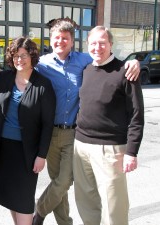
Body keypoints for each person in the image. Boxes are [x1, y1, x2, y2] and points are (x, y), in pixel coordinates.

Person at [32, 18, 140, 225]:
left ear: (72, 41)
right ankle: (65, 223)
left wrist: (132, 61)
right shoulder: (43, 64)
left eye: (65, 38)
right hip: (51, 134)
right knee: (60, 185)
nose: (60, 42)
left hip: (75, 133)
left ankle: (40, 210)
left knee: (64, 181)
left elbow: (109, 62)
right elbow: (22, 71)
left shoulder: (85, 60)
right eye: (57, 38)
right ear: (51, 40)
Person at [73, 26, 144, 225]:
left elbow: (136, 114)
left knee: (114, 207)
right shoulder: (86, 69)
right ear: (88, 44)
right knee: (86, 202)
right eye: (93, 43)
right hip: (81, 146)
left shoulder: (126, 72)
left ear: (111, 44)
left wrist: (132, 152)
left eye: (102, 43)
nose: (98, 47)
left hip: (111, 149)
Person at [0, 36, 56, 225]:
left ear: (32, 56)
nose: (20, 59)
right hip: (3, 149)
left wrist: (41, 155)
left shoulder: (43, 85)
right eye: (16, 56)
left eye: (24, 55)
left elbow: (47, 124)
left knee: (24, 199)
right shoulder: (3, 78)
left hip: (27, 152)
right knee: (10, 196)